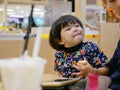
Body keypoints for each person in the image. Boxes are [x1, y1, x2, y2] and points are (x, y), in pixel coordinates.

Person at [49, 15, 109, 89]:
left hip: (88, 82)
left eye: (77, 26)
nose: (75, 29)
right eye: (68, 29)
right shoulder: (59, 54)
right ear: (60, 40)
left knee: (104, 79)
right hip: (67, 85)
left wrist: (91, 71)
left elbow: (106, 70)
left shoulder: (90, 47)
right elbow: (58, 74)